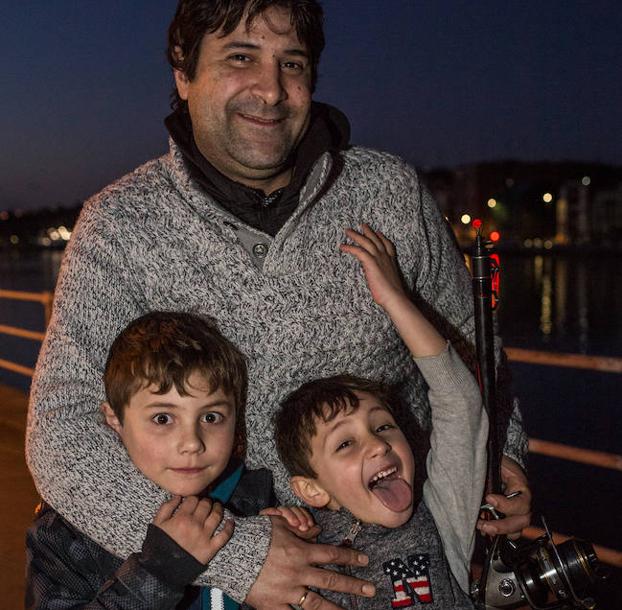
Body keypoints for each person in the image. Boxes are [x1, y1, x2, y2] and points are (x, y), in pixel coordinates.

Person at [26, 1, 531, 608]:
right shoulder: (119, 223)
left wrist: (505, 452)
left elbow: (471, 346)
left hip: (407, 562)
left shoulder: (391, 192)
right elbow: (62, 432)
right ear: (183, 73)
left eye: (291, 63)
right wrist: (238, 559)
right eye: (241, 57)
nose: (270, 90)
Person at [26, 311, 316, 609]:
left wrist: (299, 537)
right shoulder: (68, 529)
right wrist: (159, 572)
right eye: (162, 418)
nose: (192, 442)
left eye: (211, 417)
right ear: (115, 419)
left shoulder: (254, 499)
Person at [272, 224, 487, 609]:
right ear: (313, 490)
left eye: (383, 425)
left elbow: (460, 400)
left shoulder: (442, 512)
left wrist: (395, 300)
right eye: (345, 443)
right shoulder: (302, 551)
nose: (377, 443)